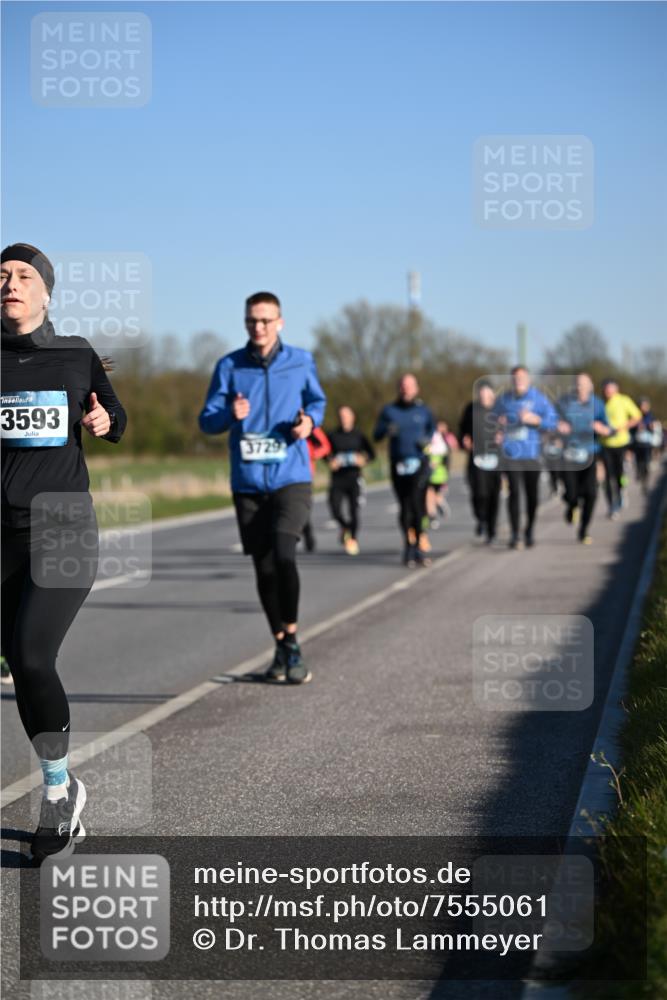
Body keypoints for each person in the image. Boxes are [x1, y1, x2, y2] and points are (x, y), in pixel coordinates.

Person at [1, 243, 127, 863]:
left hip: (64, 526)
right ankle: (65, 785)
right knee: (22, 667)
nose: (9, 283)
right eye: (1, 276)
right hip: (1, 533)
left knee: (30, 650)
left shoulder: (74, 353)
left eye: (23, 275)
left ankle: (56, 795)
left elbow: (115, 411)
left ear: (46, 292)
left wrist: (105, 422)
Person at [199, 291, 326, 684]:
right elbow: (207, 421)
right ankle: (283, 644)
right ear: (245, 323)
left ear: (280, 322)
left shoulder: (301, 361)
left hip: (292, 476)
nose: (259, 327)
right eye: (252, 321)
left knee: (284, 554)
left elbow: (317, 403)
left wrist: (308, 425)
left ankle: (291, 637)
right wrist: (227, 414)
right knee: (264, 566)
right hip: (248, 482)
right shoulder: (230, 366)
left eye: (266, 321)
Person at [493, 366, 558, 549]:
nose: (518, 381)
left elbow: (552, 422)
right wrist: (498, 429)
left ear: (528, 379)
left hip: (531, 455)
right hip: (511, 455)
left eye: (521, 378)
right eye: (515, 378)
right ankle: (515, 534)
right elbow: (492, 420)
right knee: (514, 493)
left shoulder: (538, 399)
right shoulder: (504, 400)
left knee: (532, 497)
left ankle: (529, 530)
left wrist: (535, 420)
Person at [374, 373, 434, 567]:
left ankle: (419, 546)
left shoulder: (424, 411)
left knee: (418, 505)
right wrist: (386, 430)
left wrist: (427, 440)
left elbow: (432, 430)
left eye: (410, 386)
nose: (406, 389)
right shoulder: (389, 411)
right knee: (405, 507)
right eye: (403, 385)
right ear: (398, 388)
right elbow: (376, 435)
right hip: (398, 464)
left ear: (416, 388)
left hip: (419, 463)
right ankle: (409, 545)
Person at [556, 373, 611, 544]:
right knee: (572, 494)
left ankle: (584, 530)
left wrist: (602, 428)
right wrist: (558, 426)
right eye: (578, 384)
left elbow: (609, 428)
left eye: (584, 384)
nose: (580, 388)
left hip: (590, 453)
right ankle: (571, 506)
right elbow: (551, 420)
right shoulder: (564, 402)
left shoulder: (598, 404)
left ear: (591, 386)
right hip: (569, 455)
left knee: (591, 494)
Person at [327, 405, 375, 555]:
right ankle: (345, 527)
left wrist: (363, 460)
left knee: (354, 511)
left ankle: (353, 539)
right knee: (335, 509)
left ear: (352, 417)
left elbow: (372, 454)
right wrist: (329, 461)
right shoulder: (333, 435)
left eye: (347, 416)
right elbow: (324, 453)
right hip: (337, 479)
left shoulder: (359, 435)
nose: (344, 419)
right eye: (341, 416)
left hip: (354, 478)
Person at [458, 380, 500, 543]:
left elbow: (508, 429)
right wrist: (464, 440)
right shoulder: (471, 409)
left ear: (493, 394)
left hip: (496, 458)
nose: (484, 398)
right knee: (478, 493)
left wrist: (502, 436)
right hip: (476, 457)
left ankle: (492, 529)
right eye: (481, 394)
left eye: (487, 394)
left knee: (493, 495)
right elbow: (462, 430)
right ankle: (481, 518)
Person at [600, 378, 642, 519]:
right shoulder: (601, 403)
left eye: (610, 388)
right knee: (607, 477)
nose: (607, 391)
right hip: (605, 444)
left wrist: (622, 427)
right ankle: (612, 505)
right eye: (605, 388)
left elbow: (637, 416)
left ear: (616, 388)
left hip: (621, 443)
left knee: (619, 475)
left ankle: (621, 492)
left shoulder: (624, 400)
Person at [302, 426, 331, 552]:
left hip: (303, 475)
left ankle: (307, 535)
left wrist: (310, 455)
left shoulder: (307, 422)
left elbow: (325, 446)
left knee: (302, 508)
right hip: (277, 474)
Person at [426, 419, 458, 528]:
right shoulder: (428, 436)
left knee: (436, 494)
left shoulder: (444, 439)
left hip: (439, 472)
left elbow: (447, 456)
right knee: (429, 494)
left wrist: (438, 463)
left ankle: (440, 504)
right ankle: (432, 516)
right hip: (428, 471)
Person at [632, 397, 656, 495]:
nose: (644, 407)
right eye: (643, 405)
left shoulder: (651, 416)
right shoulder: (636, 415)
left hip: (647, 444)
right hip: (637, 443)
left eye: (646, 405)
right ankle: (639, 473)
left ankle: (645, 482)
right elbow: (631, 429)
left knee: (646, 463)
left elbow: (654, 429)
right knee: (638, 462)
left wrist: (650, 427)